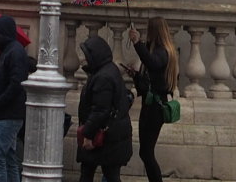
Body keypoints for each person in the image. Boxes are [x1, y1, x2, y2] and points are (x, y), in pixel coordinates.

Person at [75, 36, 133, 182]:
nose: (84, 59)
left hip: (105, 137)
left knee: (93, 173)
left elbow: (100, 110)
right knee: (106, 174)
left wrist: (88, 135)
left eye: (87, 56)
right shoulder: (108, 70)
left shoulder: (103, 77)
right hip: (112, 135)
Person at [124, 20, 174, 182]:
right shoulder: (157, 51)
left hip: (155, 108)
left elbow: (152, 63)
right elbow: (148, 83)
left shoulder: (163, 52)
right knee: (145, 152)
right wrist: (136, 76)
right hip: (150, 105)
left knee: (146, 152)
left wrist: (137, 43)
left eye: (149, 30)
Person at [0, 16, 31, 182]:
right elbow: (8, 81)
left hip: (8, 114)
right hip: (9, 113)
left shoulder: (14, 52)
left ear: (1, 33)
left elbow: (17, 83)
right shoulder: (8, 51)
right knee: (10, 158)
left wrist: (0, 100)